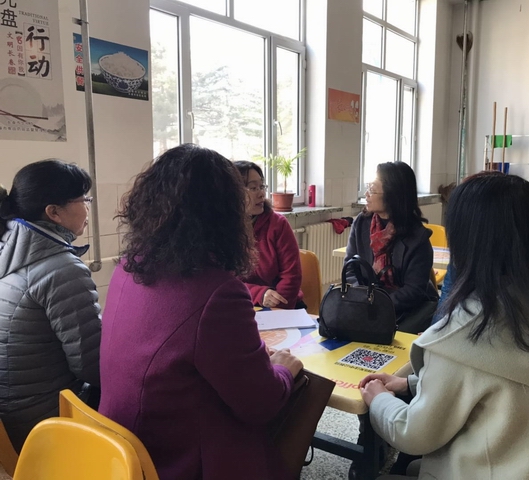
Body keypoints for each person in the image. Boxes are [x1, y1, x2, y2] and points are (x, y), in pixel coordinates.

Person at [360, 172, 529, 480]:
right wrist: (411, 384)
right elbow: (492, 383)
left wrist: (379, 398)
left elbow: (413, 433)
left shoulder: (463, 333)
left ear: (465, 238)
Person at [99, 144, 303, 480]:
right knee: (303, 389)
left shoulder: (127, 267)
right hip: (175, 457)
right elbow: (260, 403)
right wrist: (282, 369)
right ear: (226, 212)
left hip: (121, 443)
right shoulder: (218, 292)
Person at [0, 159, 101, 451]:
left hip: (14, 417)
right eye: (84, 200)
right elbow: (92, 367)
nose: (88, 208)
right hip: (46, 423)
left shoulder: (10, 251)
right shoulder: (62, 269)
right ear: (54, 212)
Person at [345, 162, 438, 333]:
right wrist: (362, 299)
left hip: (407, 311)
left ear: (392, 194)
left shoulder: (418, 237)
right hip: (367, 305)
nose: (366, 194)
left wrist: (377, 304)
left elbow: (414, 291)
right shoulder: (361, 223)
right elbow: (350, 269)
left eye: (372, 189)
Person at [234, 161, 304, 309]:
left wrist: (278, 308)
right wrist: (259, 293)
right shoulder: (222, 230)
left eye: (262, 186)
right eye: (253, 188)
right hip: (240, 304)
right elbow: (225, 282)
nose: (261, 193)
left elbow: (291, 277)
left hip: (283, 305)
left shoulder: (278, 224)